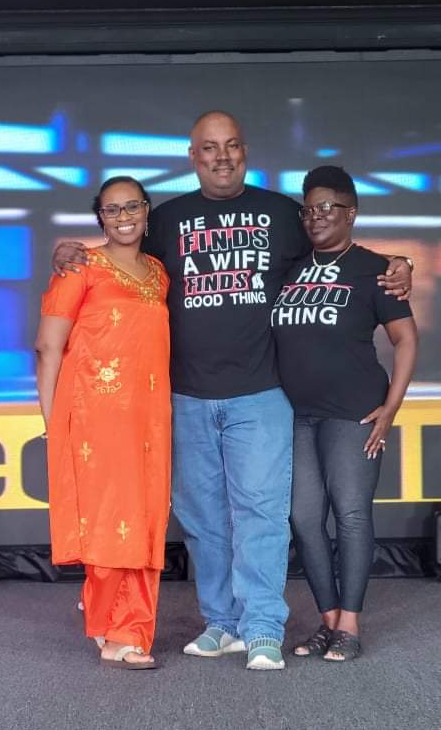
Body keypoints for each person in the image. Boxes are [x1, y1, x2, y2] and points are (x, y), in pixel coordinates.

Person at [52, 112, 413, 670]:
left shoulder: (282, 214)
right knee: (202, 519)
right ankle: (220, 622)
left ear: (245, 151)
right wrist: (66, 253)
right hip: (186, 396)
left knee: (262, 514)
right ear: (193, 157)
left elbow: (337, 243)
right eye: (209, 147)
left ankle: (262, 627)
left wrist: (399, 263)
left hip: (261, 392)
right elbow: (115, 249)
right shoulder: (165, 220)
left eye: (232, 146)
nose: (222, 156)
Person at [271, 165, 418, 661]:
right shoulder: (290, 268)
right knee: (303, 517)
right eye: (308, 210)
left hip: (354, 412)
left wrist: (391, 408)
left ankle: (350, 626)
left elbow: (406, 340)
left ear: (350, 213)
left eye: (326, 208)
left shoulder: (374, 270)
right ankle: (329, 619)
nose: (315, 217)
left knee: (351, 514)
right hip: (297, 413)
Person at [36, 177, 171, 669]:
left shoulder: (158, 272)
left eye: (132, 206)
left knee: (144, 518)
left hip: (149, 419)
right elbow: (47, 347)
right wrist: (54, 421)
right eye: (112, 209)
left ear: (147, 210)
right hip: (95, 417)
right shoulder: (80, 267)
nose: (123, 216)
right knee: (112, 519)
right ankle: (118, 628)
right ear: (100, 217)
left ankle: (121, 620)